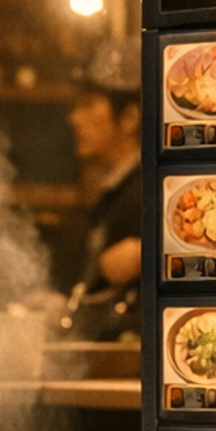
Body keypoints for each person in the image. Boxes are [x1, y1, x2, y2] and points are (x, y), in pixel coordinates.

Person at [61, 42, 141, 341]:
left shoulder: (155, 189)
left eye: (87, 105)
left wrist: (147, 255)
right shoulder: (115, 192)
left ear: (130, 118)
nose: (74, 118)